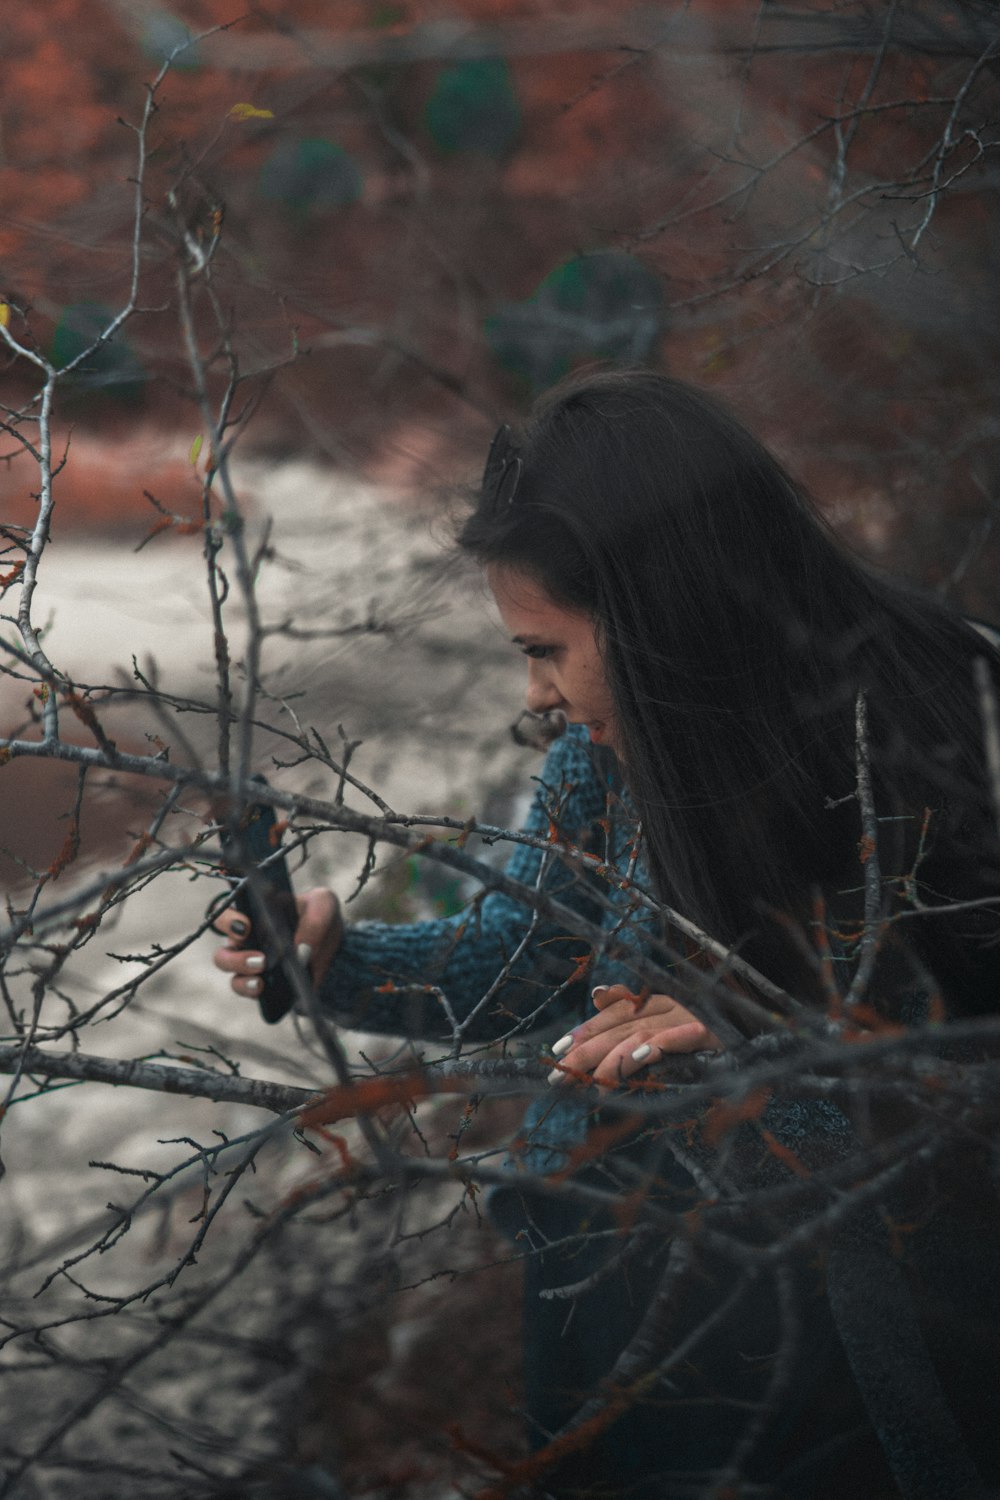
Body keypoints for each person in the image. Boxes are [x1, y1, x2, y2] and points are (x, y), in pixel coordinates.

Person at [213, 371, 1000, 1499]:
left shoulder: (939, 723)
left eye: (546, 648)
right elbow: (533, 962)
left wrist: (774, 1043)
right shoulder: (605, 750)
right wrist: (340, 963)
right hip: (629, 1297)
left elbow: (961, 1058)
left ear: (660, 615)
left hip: (866, 1346)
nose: (534, 695)